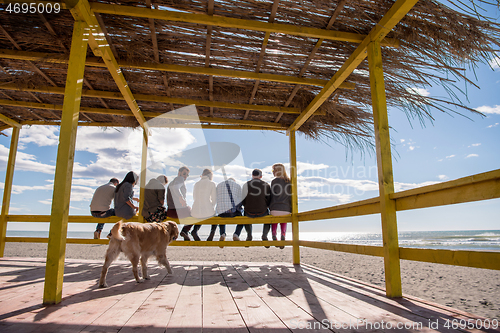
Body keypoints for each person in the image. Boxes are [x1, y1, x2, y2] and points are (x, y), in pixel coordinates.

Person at [236, 169, 271, 245]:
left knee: (246, 215)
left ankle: (249, 235)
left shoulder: (246, 185)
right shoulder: (266, 185)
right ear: (261, 176)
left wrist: (247, 206)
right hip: (262, 212)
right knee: (269, 218)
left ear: (252, 175)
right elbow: (269, 200)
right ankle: (264, 235)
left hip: (249, 212)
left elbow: (242, 200)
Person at [213, 177, 242, 245]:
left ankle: (222, 234)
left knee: (221, 218)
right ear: (234, 180)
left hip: (221, 212)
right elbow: (240, 200)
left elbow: (216, 198)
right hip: (233, 212)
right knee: (241, 219)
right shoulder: (237, 186)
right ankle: (236, 234)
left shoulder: (219, 185)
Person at [269, 163, 292, 249]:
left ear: (276, 171)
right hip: (286, 209)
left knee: (274, 218)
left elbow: (271, 196)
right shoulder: (288, 181)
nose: (272, 172)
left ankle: (274, 235)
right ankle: (283, 234)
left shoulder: (274, 181)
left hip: (274, 208)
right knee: (283, 219)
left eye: (273, 170)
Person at [166, 166, 192, 240]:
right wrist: (181, 198)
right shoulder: (180, 179)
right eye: (184, 174)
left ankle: (173, 235)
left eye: (187, 175)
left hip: (170, 212)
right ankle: (185, 230)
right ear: (179, 173)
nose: (185, 176)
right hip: (179, 211)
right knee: (194, 213)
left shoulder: (171, 183)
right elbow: (175, 188)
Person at [191, 169, 217, 240]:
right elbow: (214, 199)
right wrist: (211, 207)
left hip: (195, 210)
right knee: (216, 217)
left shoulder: (196, 184)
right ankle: (212, 233)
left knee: (200, 215)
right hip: (206, 209)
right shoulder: (211, 183)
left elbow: (194, 197)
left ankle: (195, 231)